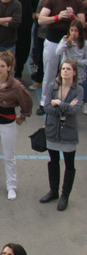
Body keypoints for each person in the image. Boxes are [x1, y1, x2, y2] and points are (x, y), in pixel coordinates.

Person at [0, 51, 33, 201]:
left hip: (8, 123)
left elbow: (26, 101)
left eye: (2, 66)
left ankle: (11, 186)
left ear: (9, 68)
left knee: (9, 156)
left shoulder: (16, 86)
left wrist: (23, 116)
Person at [40, 58, 82, 213]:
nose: (65, 71)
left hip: (68, 132)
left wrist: (59, 103)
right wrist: (63, 107)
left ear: (74, 72)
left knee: (69, 165)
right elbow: (47, 107)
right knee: (53, 161)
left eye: (68, 69)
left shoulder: (78, 90)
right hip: (53, 130)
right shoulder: (53, 87)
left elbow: (74, 110)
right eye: (63, 68)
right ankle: (53, 191)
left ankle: (65, 196)